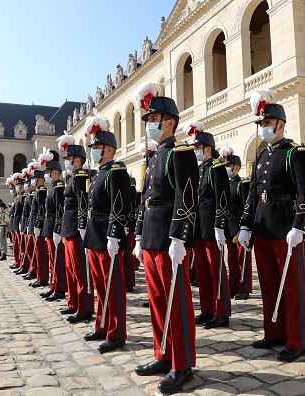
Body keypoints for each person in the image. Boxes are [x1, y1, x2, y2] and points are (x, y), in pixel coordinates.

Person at [238, 88, 305, 362]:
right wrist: (245, 225)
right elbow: (252, 194)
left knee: (292, 287)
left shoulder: (295, 153)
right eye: (260, 124)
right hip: (262, 227)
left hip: (286, 229)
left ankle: (297, 340)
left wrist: (301, 226)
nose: (263, 128)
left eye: (267, 124)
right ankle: (274, 332)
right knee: (270, 284)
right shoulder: (261, 157)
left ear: (280, 124)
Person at [133, 82, 198, 393]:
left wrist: (179, 238)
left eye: (153, 119)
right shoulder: (155, 156)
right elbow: (145, 199)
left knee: (178, 303)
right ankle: (163, 352)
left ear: (170, 121)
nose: (149, 124)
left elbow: (186, 198)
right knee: (158, 301)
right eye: (148, 120)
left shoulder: (180, 152)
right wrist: (137, 236)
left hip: (169, 237)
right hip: (151, 237)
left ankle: (182, 363)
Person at [82, 113, 131, 354]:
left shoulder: (116, 171)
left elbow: (119, 205)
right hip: (95, 234)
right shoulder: (99, 172)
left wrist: (114, 234)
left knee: (112, 287)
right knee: (100, 286)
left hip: (108, 235)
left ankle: (116, 332)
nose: (93, 151)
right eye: (92, 147)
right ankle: (101, 324)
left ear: (109, 149)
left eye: (97, 147)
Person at [187, 120, 231, 330]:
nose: (195, 150)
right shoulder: (198, 169)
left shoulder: (217, 167)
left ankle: (222, 311)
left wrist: (220, 225)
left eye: (198, 147)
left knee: (216, 270)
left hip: (212, 225)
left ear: (208, 148)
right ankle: (207, 309)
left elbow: (223, 197)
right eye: (194, 147)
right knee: (202, 270)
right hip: (199, 226)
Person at [58, 133, 94, 323]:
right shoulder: (72, 177)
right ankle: (73, 302)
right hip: (68, 226)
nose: (67, 162)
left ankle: (84, 306)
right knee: (71, 268)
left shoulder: (80, 176)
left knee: (80, 270)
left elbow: (82, 202)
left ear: (78, 160)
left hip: (75, 227)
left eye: (69, 159)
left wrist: (82, 225)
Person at [222, 149, 253, 300]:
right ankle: (233, 286)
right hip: (228, 226)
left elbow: (247, 205)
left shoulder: (242, 184)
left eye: (230, 165)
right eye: (226, 165)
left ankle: (244, 287)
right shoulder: (224, 184)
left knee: (243, 258)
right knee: (232, 259)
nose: (227, 167)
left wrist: (246, 227)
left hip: (239, 226)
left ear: (237, 167)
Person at [40, 150, 68, 302]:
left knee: (57, 260)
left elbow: (59, 210)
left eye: (48, 171)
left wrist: (58, 229)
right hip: (49, 227)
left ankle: (59, 288)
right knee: (52, 259)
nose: (47, 174)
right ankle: (53, 285)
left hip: (54, 227)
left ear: (55, 172)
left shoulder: (58, 187)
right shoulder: (53, 186)